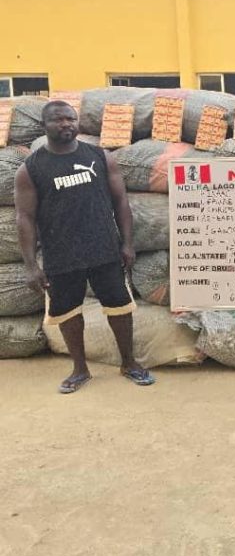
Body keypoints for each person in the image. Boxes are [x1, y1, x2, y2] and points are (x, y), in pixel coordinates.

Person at [14, 100, 155, 394]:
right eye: (58, 119)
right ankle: (80, 369)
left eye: (71, 118)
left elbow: (121, 202)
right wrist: (30, 265)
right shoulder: (31, 169)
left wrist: (128, 243)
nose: (66, 124)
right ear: (44, 125)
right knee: (67, 312)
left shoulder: (100, 157)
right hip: (61, 253)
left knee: (120, 307)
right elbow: (24, 217)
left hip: (104, 248)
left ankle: (129, 363)